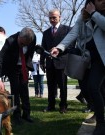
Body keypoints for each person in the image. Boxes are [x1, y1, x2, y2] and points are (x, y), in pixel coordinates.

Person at [51, 0, 105, 134]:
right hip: (87, 59)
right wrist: (60, 47)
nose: (103, 1)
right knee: (89, 89)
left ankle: (101, 124)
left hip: (101, 59)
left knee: (94, 86)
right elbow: (73, 33)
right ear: (90, 3)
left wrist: (94, 13)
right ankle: (98, 115)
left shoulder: (97, 15)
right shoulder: (83, 16)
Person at [0, 27, 36, 124]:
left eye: (26, 44)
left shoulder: (32, 39)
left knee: (25, 91)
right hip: (12, 67)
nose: (23, 46)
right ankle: (17, 116)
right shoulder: (10, 41)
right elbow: (0, 58)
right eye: (21, 44)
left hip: (24, 67)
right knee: (15, 92)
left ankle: (26, 114)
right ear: (19, 37)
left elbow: (31, 52)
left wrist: (27, 64)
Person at [40, 9, 72, 114]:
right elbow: (43, 49)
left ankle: (63, 106)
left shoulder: (67, 30)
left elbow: (71, 45)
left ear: (59, 17)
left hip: (61, 62)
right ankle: (51, 105)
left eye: (54, 17)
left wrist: (59, 49)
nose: (52, 20)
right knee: (50, 85)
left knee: (62, 85)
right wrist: (42, 62)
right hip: (49, 63)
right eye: (50, 18)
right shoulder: (45, 33)